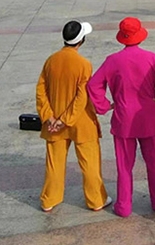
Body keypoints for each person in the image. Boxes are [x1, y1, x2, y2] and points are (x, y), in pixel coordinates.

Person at [87, 17, 155, 217]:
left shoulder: (112, 61)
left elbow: (93, 85)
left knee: (124, 165)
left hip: (123, 119)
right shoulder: (152, 58)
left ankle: (124, 206)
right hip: (149, 118)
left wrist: (104, 105)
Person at [36, 21, 109, 213]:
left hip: (53, 124)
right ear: (81, 40)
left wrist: (49, 117)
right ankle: (96, 200)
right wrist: (65, 119)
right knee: (90, 163)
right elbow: (81, 97)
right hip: (81, 122)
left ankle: (49, 199)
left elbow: (41, 91)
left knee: (54, 163)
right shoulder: (84, 64)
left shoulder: (51, 60)